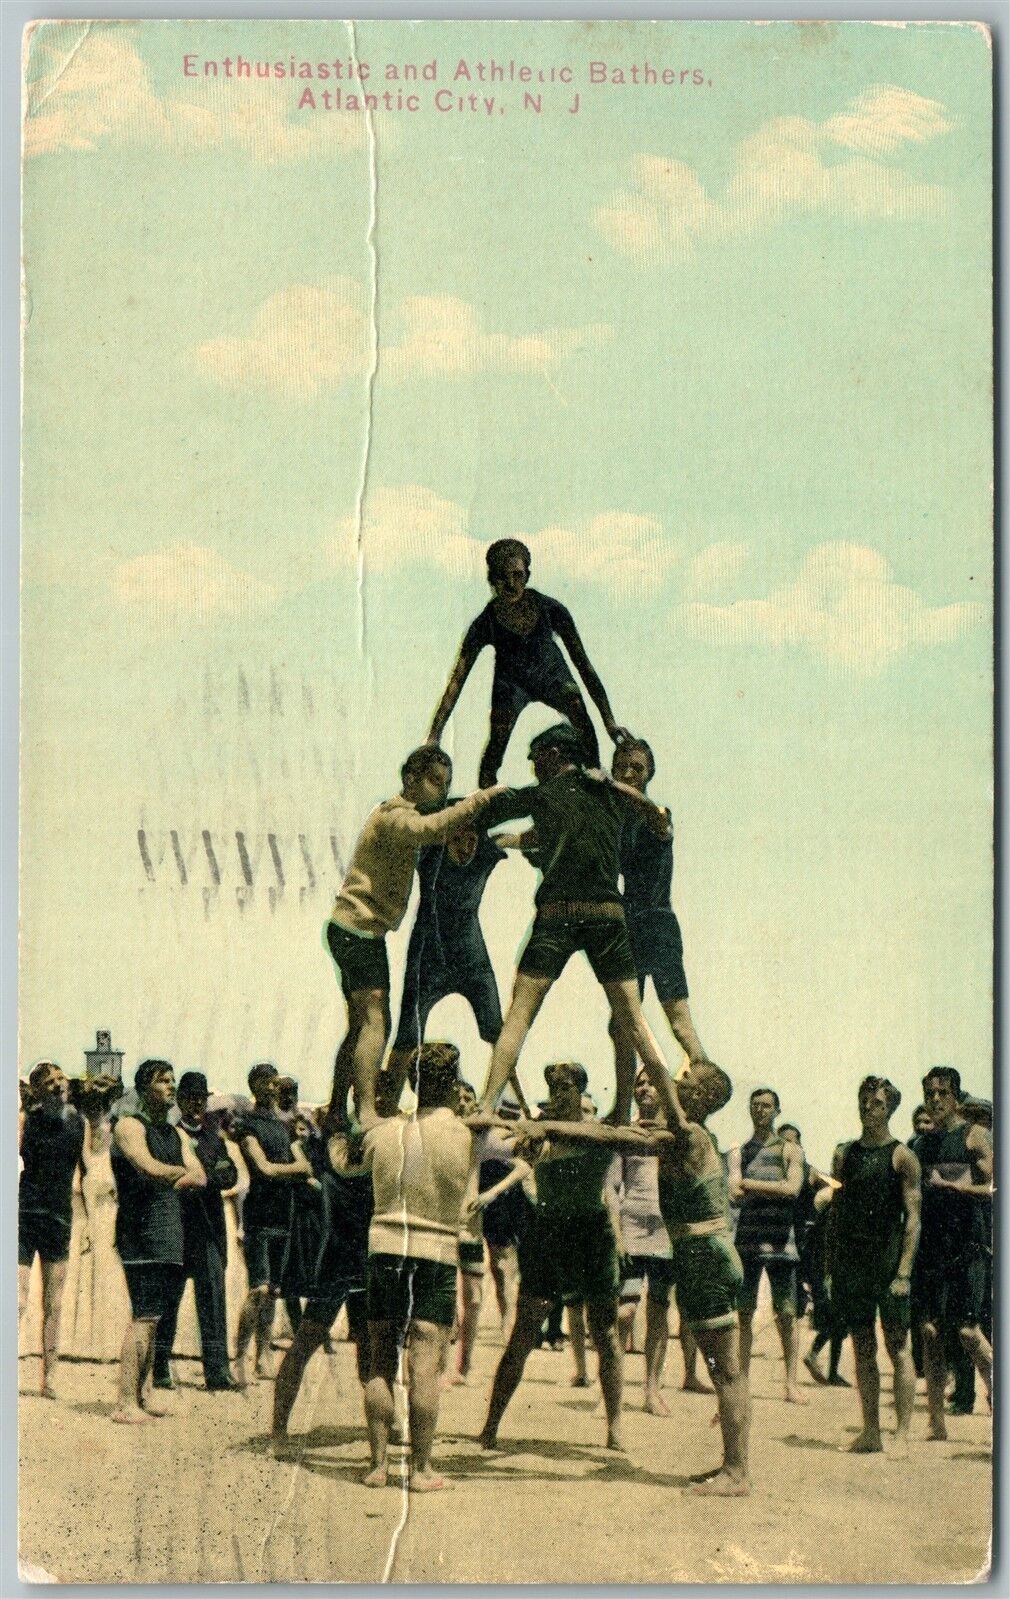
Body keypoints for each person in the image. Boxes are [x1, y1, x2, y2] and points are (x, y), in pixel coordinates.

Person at [477, 722, 680, 1122]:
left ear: (554, 755)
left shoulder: (543, 793)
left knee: (519, 1013)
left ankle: (486, 1105)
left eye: (537, 757)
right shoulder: (608, 794)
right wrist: (516, 840)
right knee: (635, 1021)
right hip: (607, 915)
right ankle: (676, 1114)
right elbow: (649, 815)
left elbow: (495, 807)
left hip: (557, 915)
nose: (534, 766)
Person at [326, 746, 502, 1125]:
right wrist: (482, 799)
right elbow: (431, 829)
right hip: (358, 928)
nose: (440, 791)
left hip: (354, 930)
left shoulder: (398, 816)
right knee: (378, 1022)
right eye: (435, 782)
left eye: (446, 785)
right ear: (410, 778)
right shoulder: (395, 818)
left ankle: (338, 1107)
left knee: (360, 1025)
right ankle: (367, 1110)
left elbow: (448, 835)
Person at [479, 1063, 627, 1452]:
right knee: (524, 1332)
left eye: (564, 1087)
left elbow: (595, 1135)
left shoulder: (597, 1127)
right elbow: (520, 1147)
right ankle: (491, 1425)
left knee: (606, 1332)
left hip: (592, 1233)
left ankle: (614, 1427)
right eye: (552, 1087)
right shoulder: (537, 1129)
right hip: (548, 1230)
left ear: (580, 1090)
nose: (557, 1093)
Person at [358, 1042, 480, 1491]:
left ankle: (377, 1465)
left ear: (412, 1083)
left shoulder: (382, 1133)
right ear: (453, 1084)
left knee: (379, 1358)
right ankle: (423, 1469)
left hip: (386, 1243)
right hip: (437, 1250)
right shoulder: (465, 1135)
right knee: (426, 1366)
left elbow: (350, 1165)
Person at [427, 537, 629, 786]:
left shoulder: (552, 609)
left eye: (517, 575)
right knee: (496, 744)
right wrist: (434, 736)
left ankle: (595, 785)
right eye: (502, 577)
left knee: (581, 719)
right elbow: (457, 681)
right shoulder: (484, 623)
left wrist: (609, 722)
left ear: (527, 575)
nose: (511, 584)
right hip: (512, 685)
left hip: (553, 677)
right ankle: (484, 804)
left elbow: (584, 666)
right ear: (491, 579)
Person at [647, 1059, 750, 1496]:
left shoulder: (689, 1135)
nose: (677, 1077)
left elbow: (617, 1134)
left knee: (726, 1372)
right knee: (722, 1370)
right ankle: (732, 1465)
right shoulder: (681, 1134)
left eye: (687, 1077)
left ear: (703, 1098)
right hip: (697, 1256)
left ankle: (737, 1473)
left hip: (705, 1257)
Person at [380, 805, 508, 1111]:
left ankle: (510, 1104)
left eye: (471, 841)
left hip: (471, 955)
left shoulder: (486, 853)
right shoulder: (429, 854)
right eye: (457, 839)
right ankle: (386, 1106)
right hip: (429, 954)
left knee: (498, 1031)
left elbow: (517, 838)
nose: (465, 848)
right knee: (408, 1034)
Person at [828, 1076, 921, 1457]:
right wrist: (831, 1268)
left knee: (898, 1345)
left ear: (890, 1108)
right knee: (862, 1346)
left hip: (887, 1261)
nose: (869, 1108)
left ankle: (901, 1433)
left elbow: (913, 1219)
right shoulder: (843, 1154)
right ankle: (871, 1430)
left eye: (877, 1103)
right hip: (853, 1263)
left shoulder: (902, 1156)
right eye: (864, 1101)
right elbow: (836, 1213)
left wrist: (903, 1272)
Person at [109, 1059, 206, 1424]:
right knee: (144, 1315)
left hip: (169, 1228)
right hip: (139, 1229)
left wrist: (179, 1175)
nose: (170, 1086)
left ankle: (144, 1394)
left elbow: (201, 1175)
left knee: (157, 1317)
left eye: (172, 1080)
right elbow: (146, 1166)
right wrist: (181, 1174)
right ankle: (124, 1402)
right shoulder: (129, 1126)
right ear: (144, 1087)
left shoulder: (176, 1133)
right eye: (162, 1081)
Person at [272, 1121, 373, 1449]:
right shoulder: (343, 1145)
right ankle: (278, 1428)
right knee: (359, 1350)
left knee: (359, 1350)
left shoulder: (333, 1146)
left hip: (350, 1258)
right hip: (348, 1259)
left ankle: (279, 1429)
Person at [610, 738, 708, 1069]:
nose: (627, 774)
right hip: (628, 925)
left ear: (650, 773)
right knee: (621, 1024)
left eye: (636, 768)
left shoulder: (659, 813)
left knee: (679, 1021)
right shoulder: (616, 824)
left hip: (658, 922)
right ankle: (622, 1108)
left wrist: (611, 786)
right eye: (621, 767)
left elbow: (657, 819)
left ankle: (703, 1077)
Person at [913, 1066, 993, 1439]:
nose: (935, 1100)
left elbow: (994, 1188)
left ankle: (996, 1389)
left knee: (967, 1331)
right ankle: (936, 1421)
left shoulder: (976, 1136)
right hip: (933, 1245)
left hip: (970, 1243)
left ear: (956, 1097)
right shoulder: (922, 1144)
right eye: (930, 1093)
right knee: (929, 1330)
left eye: (942, 1093)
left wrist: (955, 1187)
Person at [151, 1071, 239, 1393]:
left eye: (200, 1099)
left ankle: (217, 1372)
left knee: (213, 1300)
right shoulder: (169, 1135)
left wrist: (203, 1176)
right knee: (169, 1300)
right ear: (179, 1100)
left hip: (209, 1230)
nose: (195, 1105)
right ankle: (160, 1367)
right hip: (176, 1226)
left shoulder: (215, 1139)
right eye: (189, 1098)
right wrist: (204, 1174)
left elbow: (229, 1176)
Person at [606, 1069, 683, 1414]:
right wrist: (618, 1235)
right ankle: (614, 1390)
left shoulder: (676, 1134)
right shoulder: (627, 1133)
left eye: (652, 1082)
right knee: (625, 1311)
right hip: (631, 1228)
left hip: (666, 1230)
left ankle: (652, 1390)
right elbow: (612, 1188)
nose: (646, 1088)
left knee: (659, 1310)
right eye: (639, 1083)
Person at [233, 1063, 314, 1388]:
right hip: (260, 1215)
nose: (272, 1088)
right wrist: (296, 1169)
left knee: (274, 1293)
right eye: (266, 1083)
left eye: (274, 1083)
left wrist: (297, 1168)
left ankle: (263, 1355)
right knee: (258, 1290)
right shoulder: (247, 1125)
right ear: (255, 1086)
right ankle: (239, 1358)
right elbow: (263, 1168)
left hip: (285, 1214)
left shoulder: (282, 1126)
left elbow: (304, 1165)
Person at [728, 1087, 805, 1404]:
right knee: (743, 1312)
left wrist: (752, 1185)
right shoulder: (739, 1151)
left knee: (787, 1312)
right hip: (747, 1239)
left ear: (777, 1111)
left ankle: (790, 1382)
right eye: (755, 1105)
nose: (760, 1111)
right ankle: (742, 1380)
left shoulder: (790, 1150)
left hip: (780, 1242)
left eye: (766, 1106)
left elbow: (793, 1189)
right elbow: (733, 1191)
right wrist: (755, 1187)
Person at [18, 1061, 86, 1398]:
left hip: (59, 1217)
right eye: (49, 1081)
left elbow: (87, 1172)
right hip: (24, 1214)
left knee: (54, 1304)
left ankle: (50, 1378)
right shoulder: (25, 1121)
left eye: (61, 1078)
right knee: (16, 1299)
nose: (58, 1084)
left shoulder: (79, 1123)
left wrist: (84, 1218)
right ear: (37, 1090)